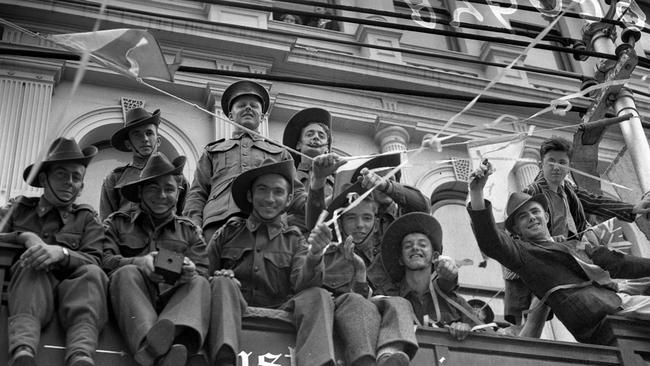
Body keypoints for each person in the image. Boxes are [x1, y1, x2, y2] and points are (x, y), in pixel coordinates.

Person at [468, 160, 650, 343]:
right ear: (516, 231)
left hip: (616, 301)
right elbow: (492, 242)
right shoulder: (524, 254)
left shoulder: (575, 245)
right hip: (594, 313)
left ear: (546, 217)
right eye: (523, 217)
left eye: (534, 212)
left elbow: (616, 262)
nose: (531, 218)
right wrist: (476, 193)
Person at [506, 137, 650, 332]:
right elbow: (519, 234)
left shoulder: (569, 189)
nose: (556, 167)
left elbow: (596, 202)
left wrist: (632, 208)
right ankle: (519, 339)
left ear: (569, 166)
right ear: (542, 164)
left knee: (545, 304)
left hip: (570, 255)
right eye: (551, 161)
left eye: (562, 162)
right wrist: (546, 243)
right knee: (535, 309)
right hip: (543, 258)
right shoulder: (531, 193)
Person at [206, 159, 336, 366]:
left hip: (280, 314)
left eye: (278, 192)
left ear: (288, 199)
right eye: (262, 190)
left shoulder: (294, 239)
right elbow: (202, 273)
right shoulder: (227, 233)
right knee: (221, 282)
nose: (269, 198)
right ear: (250, 195)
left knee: (318, 295)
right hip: (235, 313)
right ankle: (225, 359)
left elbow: (303, 285)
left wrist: (315, 255)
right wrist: (220, 280)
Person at [1, 137, 107, 366]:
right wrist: (25, 237)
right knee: (32, 264)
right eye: (61, 174)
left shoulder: (87, 219)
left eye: (76, 177)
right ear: (43, 178)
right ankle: (23, 353)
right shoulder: (18, 208)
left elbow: (97, 259)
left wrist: (62, 253)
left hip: (76, 293)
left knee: (92, 274)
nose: (69, 182)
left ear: (81, 188)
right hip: (28, 292)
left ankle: (80, 356)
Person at [103, 153, 209, 366]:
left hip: (175, 308)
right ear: (140, 192)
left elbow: (204, 269)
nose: (162, 195)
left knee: (199, 282)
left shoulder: (190, 231)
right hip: (132, 303)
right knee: (126, 272)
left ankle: (151, 352)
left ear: (178, 195)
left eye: (169, 189)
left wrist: (189, 270)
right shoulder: (117, 223)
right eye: (153, 188)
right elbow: (102, 260)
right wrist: (138, 263)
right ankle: (157, 350)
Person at [184, 80, 307, 244]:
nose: (248, 108)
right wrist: (193, 225)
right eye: (241, 105)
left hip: (267, 227)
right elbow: (197, 193)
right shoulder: (212, 151)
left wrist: (321, 202)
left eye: (254, 106)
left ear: (262, 116)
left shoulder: (280, 153)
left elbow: (296, 195)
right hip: (217, 224)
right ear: (230, 115)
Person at [320, 184, 419, 366]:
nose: (360, 225)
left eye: (367, 218)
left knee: (400, 303)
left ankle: (388, 356)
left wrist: (361, 272)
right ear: (340, 223)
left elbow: (421, 206)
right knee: (357, 302)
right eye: (351, 218)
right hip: (341, 328)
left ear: (375, 225)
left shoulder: (386, 257)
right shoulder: (325, 256)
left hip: (373, 319)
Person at [378, 212, 481, 341]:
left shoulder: (454, 301)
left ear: (434, 257)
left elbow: (486, 334)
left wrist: (466, 328)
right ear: (400, 259)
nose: (415, 248)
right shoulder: (389, 299)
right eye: (408, 246)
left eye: (422, 245)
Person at [100, 107, 188, 220]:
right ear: (128, 144)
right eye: (137, 134)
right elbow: (106, 223)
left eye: (149, 133)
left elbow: (186, 219)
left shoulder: (177, 178)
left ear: (158, 140)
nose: (145, 139)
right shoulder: (115, 178)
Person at [282, 107, 335, 233]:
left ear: (327, 147)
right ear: (298, 144)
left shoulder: (337, 177)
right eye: (310, 134)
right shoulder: (288, 174)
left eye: (321, 135)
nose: (316, 138)